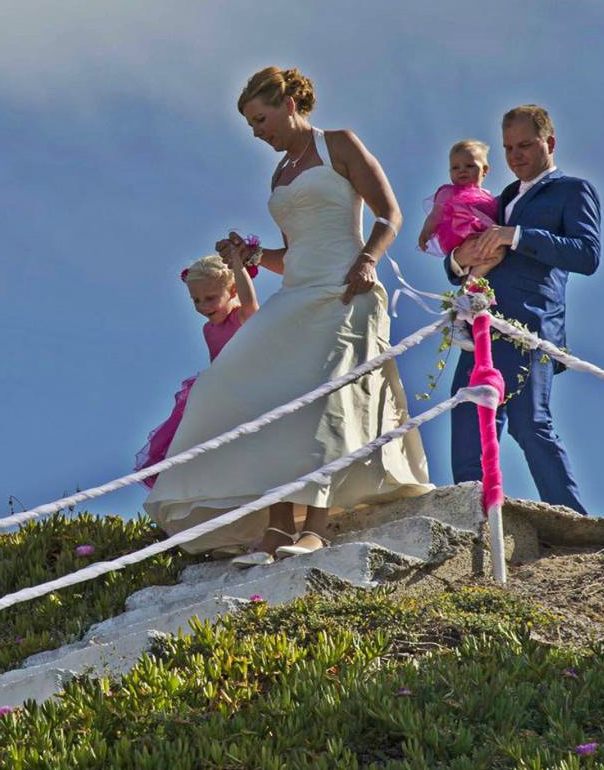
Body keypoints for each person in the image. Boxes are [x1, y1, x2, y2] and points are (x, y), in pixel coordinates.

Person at [143, 67, 432, 566]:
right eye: (251, 125)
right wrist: (251, 258)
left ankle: (313, 529)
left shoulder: (338, 143)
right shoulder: (279, 173)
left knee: (322, 402)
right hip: (298, 294)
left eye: (261, 119)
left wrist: (367, 259)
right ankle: (276, 526)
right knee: (253, 396)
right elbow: (293, 254)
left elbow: (390, 213)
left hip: (347, 290)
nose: (257, 132)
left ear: (290, 104)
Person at [444, 104, 600, 514]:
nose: (516, 156)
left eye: (525, 145)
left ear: (549, 143)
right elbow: (460, 257)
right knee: (468, 416)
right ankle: (473, 520)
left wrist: (516, 235)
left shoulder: (573, 190)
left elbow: (587, 255)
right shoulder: (501, 198)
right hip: (479, 326)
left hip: (530, 326)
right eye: (509, 148)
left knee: (530, 424)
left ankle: (574, 523)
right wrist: (459, 259)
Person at [135, 251, 260, 488]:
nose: (203, 306)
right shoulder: (208, 329)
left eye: (210, 298)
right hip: (218, 393)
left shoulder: (241, 317)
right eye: (196, 300)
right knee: (197, 444)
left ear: (232, 291)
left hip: (249, 386)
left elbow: (250, 303)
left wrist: (237, 263)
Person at [416, 139, 501, 277]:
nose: (462, 170)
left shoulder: (489, 197)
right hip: (458, 233)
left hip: (482, 235)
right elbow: (435, 214)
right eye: (455, 167)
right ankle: (471, 283)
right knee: (492, 252)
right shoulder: (448, 192)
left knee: (496, 253)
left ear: (484, 170)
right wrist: (426, 231)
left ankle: (474, 283)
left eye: (469, 165)